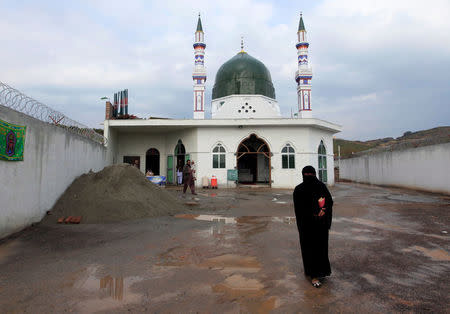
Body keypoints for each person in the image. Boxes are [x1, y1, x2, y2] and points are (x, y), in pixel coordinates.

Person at [293, 165, 333, 288]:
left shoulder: (318, 187)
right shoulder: (301, 189)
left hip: (315, 226)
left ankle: (319, 272)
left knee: (316, 249)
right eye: (307, 175)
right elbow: (299, 209)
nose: (309, 177)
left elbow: (328, 201)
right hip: (309, 226)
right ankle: (314, 276)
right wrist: (319, 212)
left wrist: (324, 209)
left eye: (310, 175)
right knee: (312, 249)